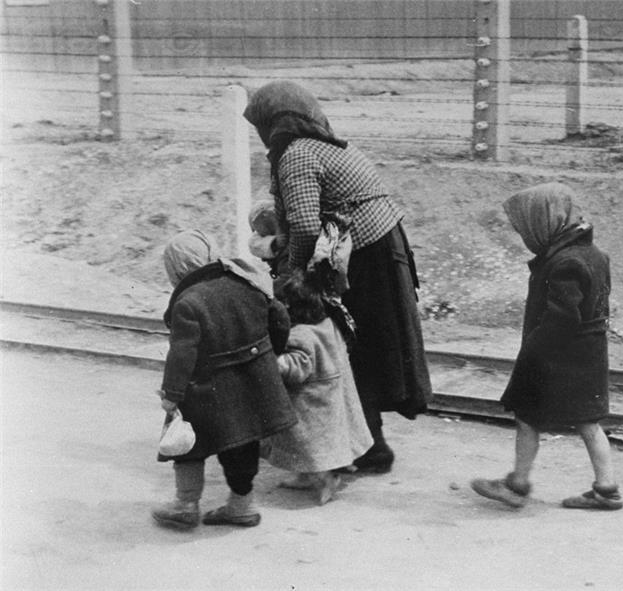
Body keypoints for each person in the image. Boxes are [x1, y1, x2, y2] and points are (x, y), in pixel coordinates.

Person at [243, 80, 432, 474]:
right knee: (365, 350)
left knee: (348, 348)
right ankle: (369, 444)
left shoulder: (295, 154)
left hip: (364, 258)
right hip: (379, 250)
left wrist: (291, 275)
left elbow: (305, 227)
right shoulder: (325, 145)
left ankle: (364, 447)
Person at [470, 183, 623, 511]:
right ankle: (607, 489)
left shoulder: (563, 263)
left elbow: (563, 318)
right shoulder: (596, 256)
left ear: (545, 222)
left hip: (556, 358)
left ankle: (517, 484)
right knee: (589, 422)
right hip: (590, 354)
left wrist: (533, 351)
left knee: (527, 417)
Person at [151, 229, 297, 530]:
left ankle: (186, 504)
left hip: (205, 391)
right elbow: (279, 317)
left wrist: (171, 395)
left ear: (177, 270)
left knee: (188, 445)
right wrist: (269, 358)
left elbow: (181, 355)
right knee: (243, 446)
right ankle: (241, 506)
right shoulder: (245, 280)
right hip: (252, 384)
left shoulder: (187, 303)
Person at [262, 269, 373, 505]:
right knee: (312, 448)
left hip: (312, 404)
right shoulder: (327, 322)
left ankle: (327, 480)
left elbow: (297, 367)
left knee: (313, 447)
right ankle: (305, 476)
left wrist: (273, 362)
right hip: (331, 395)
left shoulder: (299, 336)